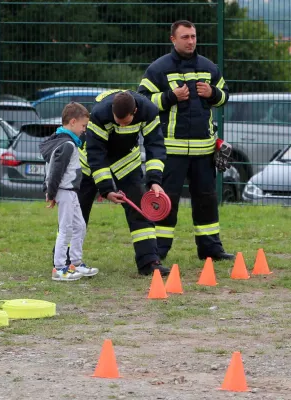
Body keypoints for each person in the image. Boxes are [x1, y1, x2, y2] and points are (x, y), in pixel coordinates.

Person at [138, 19, 235, 262]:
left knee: (207, 200)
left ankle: (211, 249)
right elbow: (142, 103)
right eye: (185, 37)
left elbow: (224, 97)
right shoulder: (158, 69)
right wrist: (170, 96)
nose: (190, 41)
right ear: (173, 39)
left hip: (204, 150)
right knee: (165, 202)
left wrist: (213, 93)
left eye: (193, 36)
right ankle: (157, 252)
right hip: (171, 151)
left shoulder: (209, 67)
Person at [86, 89, 171, 277]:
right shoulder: (100, 114)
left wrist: (155, 181)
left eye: (125, 122)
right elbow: (95, 154)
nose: (121, 125)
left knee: (141, 208)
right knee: (78, 211)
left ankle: (149, 261)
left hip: (126, 161)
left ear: (135, 112)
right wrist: (106, 189)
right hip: (92, 164)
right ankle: (64, 260)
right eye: (117, 121)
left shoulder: (149, 112)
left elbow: (155, 146)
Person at [40, 102, 99, 281]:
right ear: (72, 122)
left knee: (79, 226)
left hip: (71, 192)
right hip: (65, 191)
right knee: (65, 229)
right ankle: (59, 267)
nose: (84, 130)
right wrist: (50, 193)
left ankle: (75, 262)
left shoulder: (67, 142)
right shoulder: (67, 145)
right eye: (83, 126)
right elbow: (55, 171)